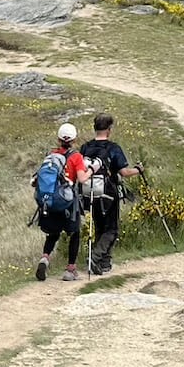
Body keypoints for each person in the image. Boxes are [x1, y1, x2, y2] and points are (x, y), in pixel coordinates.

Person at [35, 122, 99, 282]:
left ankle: (45, 258)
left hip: (51, 201)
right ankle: (70, 270)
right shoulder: (76, 157)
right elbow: (83, 179)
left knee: (53, 234)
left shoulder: (52, 155)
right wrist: (93, 169)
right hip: (68, 203)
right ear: (74, 139)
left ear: (58, 139)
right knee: (74, 234)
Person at [80, 113, 143, 275]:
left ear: (95, 128)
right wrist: (138, 170)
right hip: (108, 193)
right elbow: (124, 172)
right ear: (109, 130)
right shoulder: (113, 148)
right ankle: (95, 257)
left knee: (100, 226)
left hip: (89, 194)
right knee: (112, 229)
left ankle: (104, 263)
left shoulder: (85, 147)